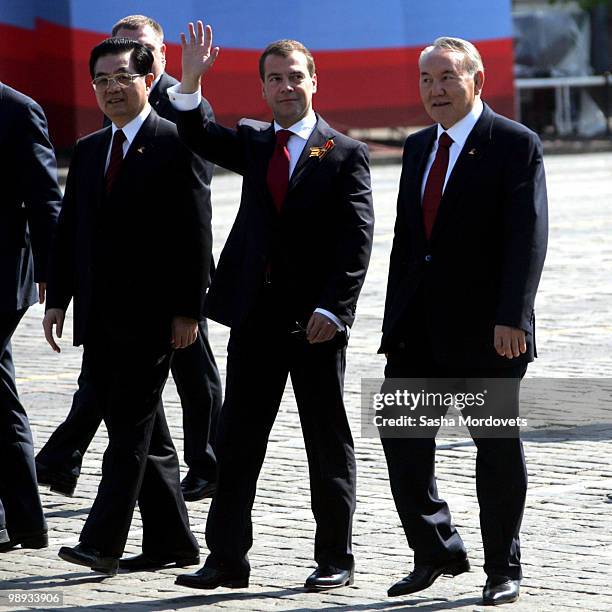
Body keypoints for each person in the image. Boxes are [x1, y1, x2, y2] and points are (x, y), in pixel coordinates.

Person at [168, 22, 374, 591]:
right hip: (255, 320)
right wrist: (189, 78)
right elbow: (197, 131)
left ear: (315, 82)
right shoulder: (255, 141)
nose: (286, 87)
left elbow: (357, 241)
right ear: (262, 89)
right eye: (275, 79)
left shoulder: (344, 151)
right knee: (236, 443)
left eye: (295, 77)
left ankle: (335, 557)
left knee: (326, 443)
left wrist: (335, 309)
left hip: (315, 326)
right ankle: (226, 559)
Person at [378, 37, 548, 605]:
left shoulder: (514, 143)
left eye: (447, 77)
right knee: (403, 443)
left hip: (487, 332)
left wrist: (512, 317)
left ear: (477, 80)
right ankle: (436, 551)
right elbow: (408, 242)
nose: (435, 90)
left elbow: (527, 239)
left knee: (494, 449)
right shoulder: (419, 146)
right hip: (417, 330)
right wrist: (392, 319)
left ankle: (503, 567)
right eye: (426, 79)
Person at [35, 14, 221, 503]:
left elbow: (194, 226)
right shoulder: (106, 123)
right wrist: (61, 291)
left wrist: (188, 305)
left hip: (168, 291)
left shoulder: (180, 116)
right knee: (129, 406)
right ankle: (167, 534)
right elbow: (79, 217)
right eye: (103, 78)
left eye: (135, 58)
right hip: (111, 299)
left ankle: (197, 468)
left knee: (186, 380)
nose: (113, 86)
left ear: (157, 59)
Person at [0, 82, 61, 553]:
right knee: (1, 400)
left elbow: (45, 197)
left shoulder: (19, 110)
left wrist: (53, 273)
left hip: (1, 279)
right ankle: (23, 521)